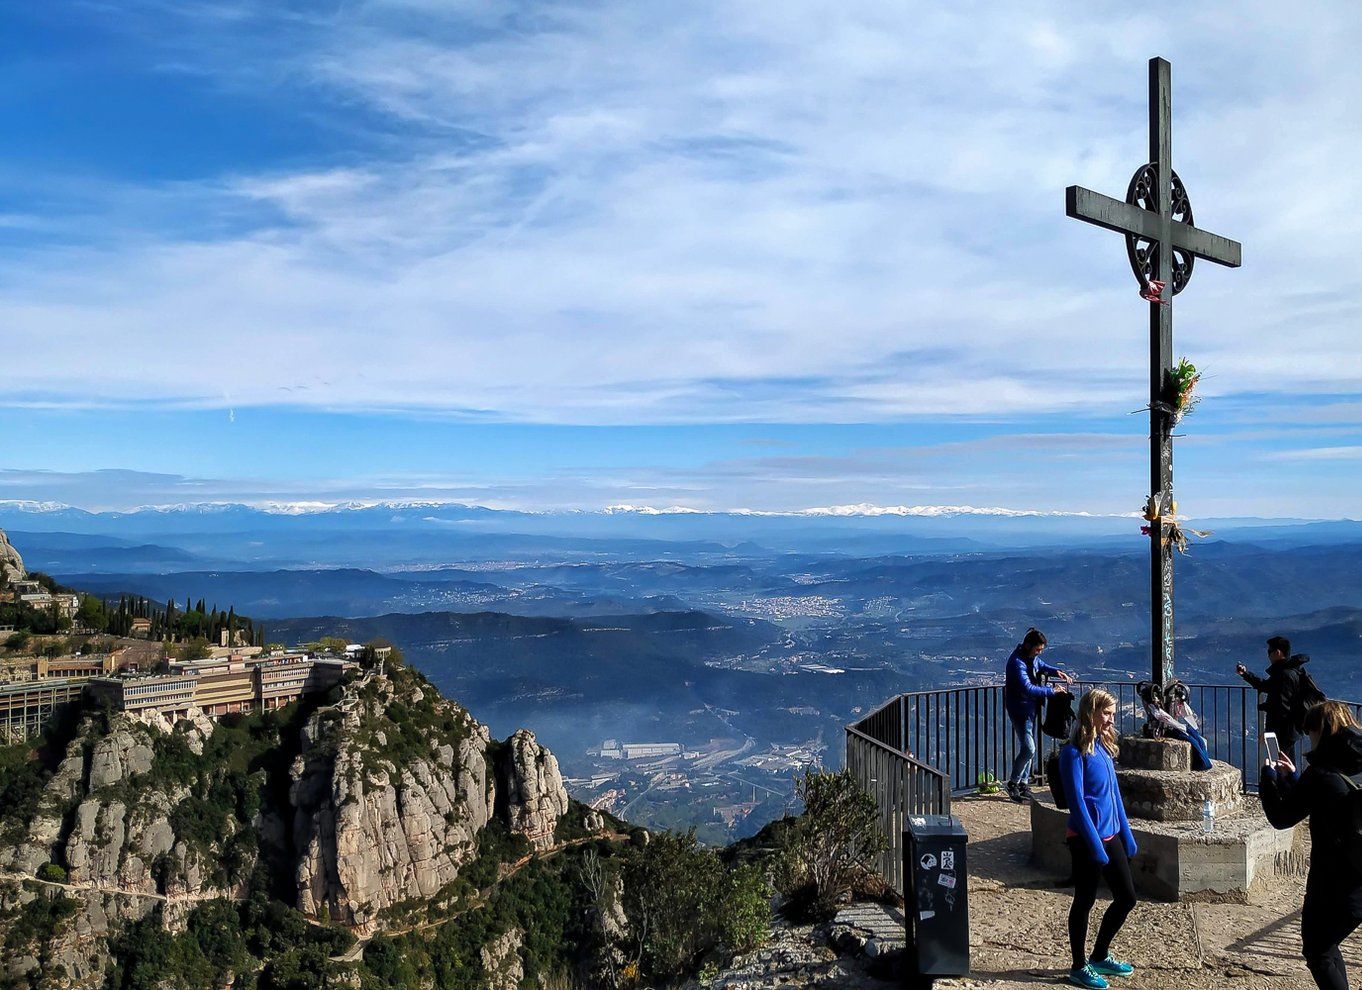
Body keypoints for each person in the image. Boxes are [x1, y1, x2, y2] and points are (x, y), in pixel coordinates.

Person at [1260, 700, 1362, 990]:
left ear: (1320, 731)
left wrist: (1268, 778)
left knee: (1318, 950)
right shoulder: (1347, 767)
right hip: (1357, 880)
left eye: (1309, 731)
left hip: (1331, 886)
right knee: (1327, 947)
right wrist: (1294, 778)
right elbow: (1326, 801)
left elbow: (1281, 817)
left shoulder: (1320, 774)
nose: (1308, 737)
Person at [1060, 688, 1138, 989]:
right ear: (1091, 712)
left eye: (1113, 713)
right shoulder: (1073, 753)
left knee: (1127, 897)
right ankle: (1078, 965)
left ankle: (1100, 954)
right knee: (1084, 900)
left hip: (1110, 833)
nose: (1111, 719)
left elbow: (1114, 796)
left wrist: (1126, 833)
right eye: (1106, 713)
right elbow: (1077, 803)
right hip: (1084, 838)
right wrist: (1094, 845)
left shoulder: (1104, 749)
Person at [1004, 627, 1072, 802]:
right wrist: (1052, 691)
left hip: (1030, 709)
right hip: (1020, 710)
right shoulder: (1016, 663)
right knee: (1029, 748)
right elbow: (1027, 688)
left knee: (1029, 748)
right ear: (1028, 646)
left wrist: (1055, 671)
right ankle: (1013, 783)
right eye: (1037, 650)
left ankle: (1023, 784)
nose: (1038, 653)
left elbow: (1040, 665)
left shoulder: (1029, 658)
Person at [1236, 635, 1310, 761]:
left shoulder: (1283, 675)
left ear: (1278, 652)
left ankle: (1280, 780)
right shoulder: (1289, 671)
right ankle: (1289, 779)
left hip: (1281, 731)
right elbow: (1267, 686)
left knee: (1277, 763)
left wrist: (1269, 732)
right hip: (1290, 730)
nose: (1268, 655)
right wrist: (1246, 674)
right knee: (1286, 763)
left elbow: (1281, 707)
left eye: (1269, 651)